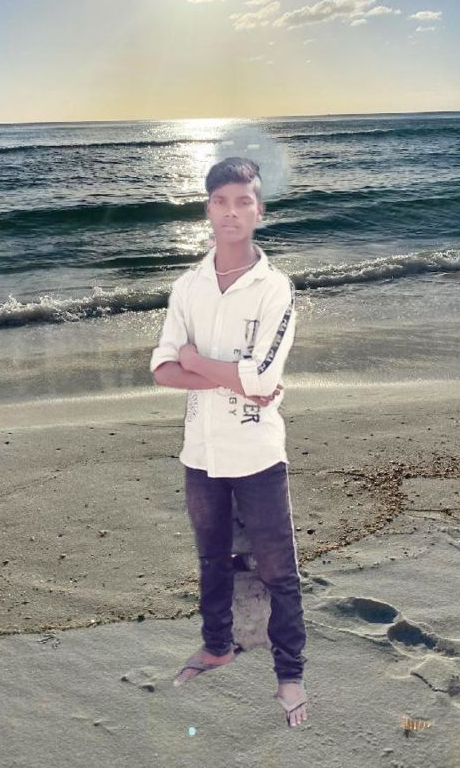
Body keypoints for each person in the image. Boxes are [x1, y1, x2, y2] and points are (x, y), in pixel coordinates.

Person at [149, 157, 308, 729]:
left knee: (279, 570)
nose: (231, 211)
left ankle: (290, 673)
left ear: (259, 211)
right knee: (211, 561)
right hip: (201, 452)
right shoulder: (187, 286)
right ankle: (217, 646)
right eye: (221, 201)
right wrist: (227, 374)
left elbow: (262, 380)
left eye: (243, 201)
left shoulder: (274, 288)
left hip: (258, 453)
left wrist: (196, 361)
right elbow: (161, 369)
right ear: (208, 209)